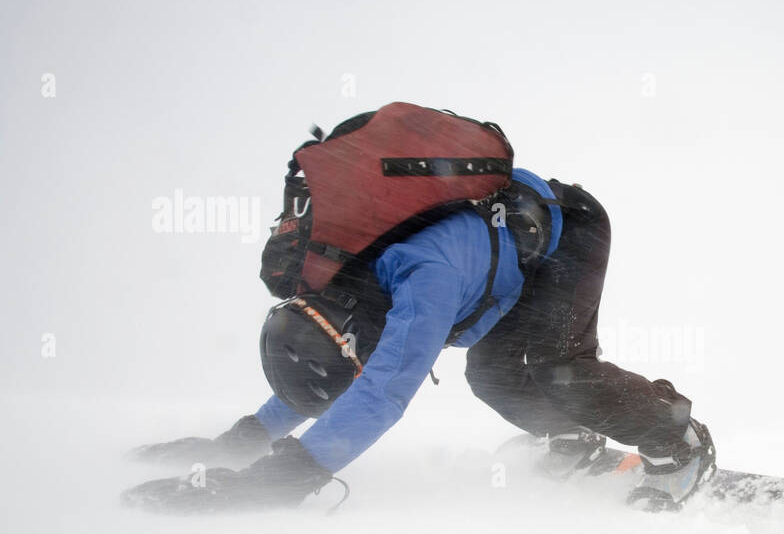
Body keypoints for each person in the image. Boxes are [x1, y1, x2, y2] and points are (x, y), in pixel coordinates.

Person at [124, 160, 716, 513]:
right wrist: (243, 440)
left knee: (559, 366)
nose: (351, 371)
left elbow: (382, 390)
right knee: (492, 377)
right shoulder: (341, 305)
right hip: (508, 256)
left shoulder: (418, 283)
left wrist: (281, 478)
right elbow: (319, 372)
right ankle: (575, 436)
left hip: (569, 229)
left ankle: (678, 438)